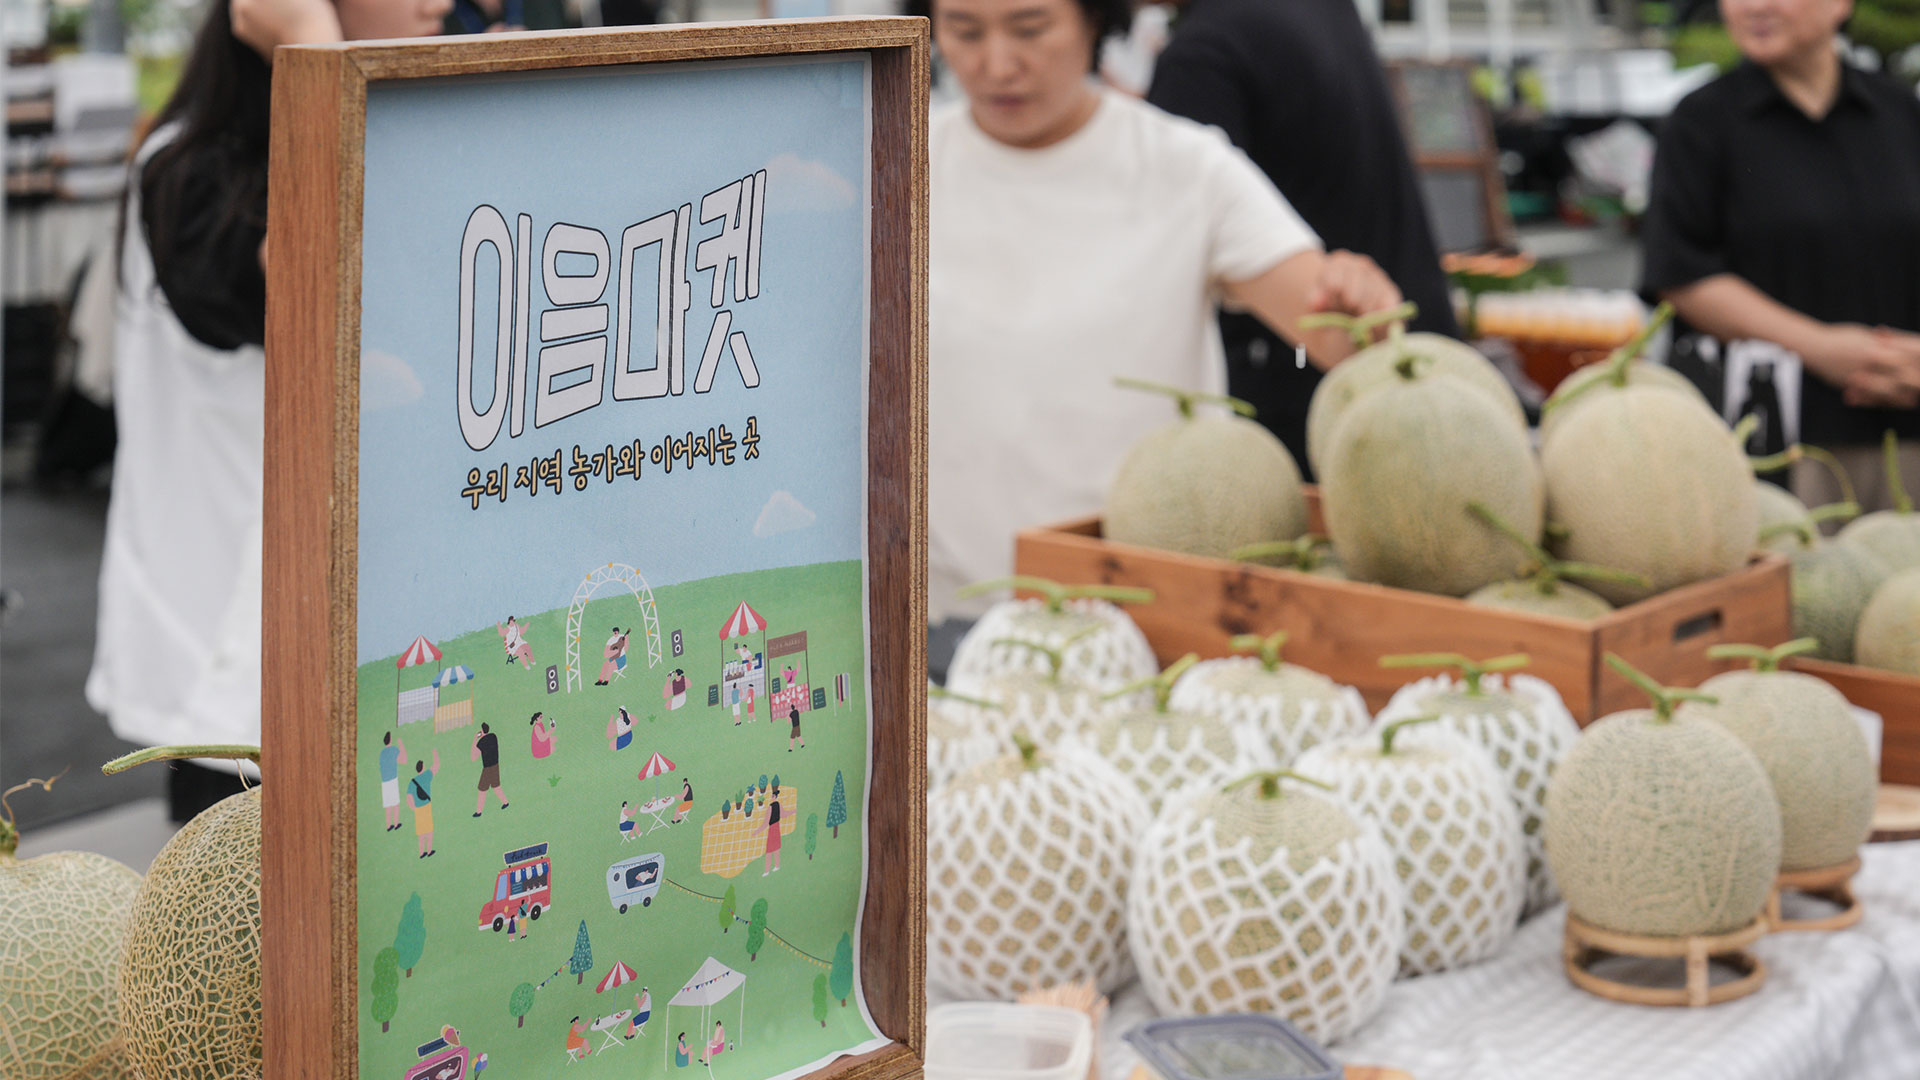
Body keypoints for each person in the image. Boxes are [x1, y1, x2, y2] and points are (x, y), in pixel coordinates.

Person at [916, 0, 1403, 622]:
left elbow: (1335, 341)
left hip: (1150, 611)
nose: (997, 64)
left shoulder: (1186, 167)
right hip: (944, 615)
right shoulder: (899, 158)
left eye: (1030, 29)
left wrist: (1359, 303)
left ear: (1096, 22)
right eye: (964, 32)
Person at [88, 0, 449, 826]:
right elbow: (323, 277)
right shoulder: (188, 174)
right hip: (236, 680)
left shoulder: (396, 131)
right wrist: (320, 54)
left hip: (352, 661)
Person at [1144, 0, 1461, 479]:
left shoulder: (1203, 55)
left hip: (1313, 399)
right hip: (1417, 362)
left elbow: (1163, 255)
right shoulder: (1322, 8)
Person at [1640, 0, 1920, 508]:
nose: (1755, 6)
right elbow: (1682, 274)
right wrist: (1823, 349)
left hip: (1908, 425)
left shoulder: (1901, 113)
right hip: (1779, 441)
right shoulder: (1701, 122)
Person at [407, 749, 442, 858]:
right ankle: (429, 850)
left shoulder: (412, 782)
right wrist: (435, 753)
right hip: (426, 806)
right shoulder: (426, 776)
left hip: (418, 809)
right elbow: (437, 765)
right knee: (429, 830)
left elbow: (409, 797)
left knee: (421, 832)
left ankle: (421, 852)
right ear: (422, 768)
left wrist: (413, 808)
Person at [472, 722, 508, 816]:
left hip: (487, 768)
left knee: (482, 790)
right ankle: (505, 802)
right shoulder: (493, 736)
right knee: (496, 786)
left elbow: (473, 757)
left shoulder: (481, 742)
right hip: (496, 765)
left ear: (482, 731)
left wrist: (475, 738)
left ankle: (479, 811)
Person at [378, 731, 409, 831]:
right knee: (395, 803)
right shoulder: (394, 750)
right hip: (392, 780)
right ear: (390, 739)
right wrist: (401, 744)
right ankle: (395, 824)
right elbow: (404, 760)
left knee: (388, 804)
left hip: (384, 781)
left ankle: (388, 825)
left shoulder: (382, 753)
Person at [763, 794, 784, 875]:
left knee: (769, 851)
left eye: (772, 796)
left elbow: (765, 823)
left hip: (772, 829)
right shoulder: (778, 805)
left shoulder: (770, 807)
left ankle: (767, 871)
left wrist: (756, 832)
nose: (771, 797)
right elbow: (783, 814)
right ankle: (777, 866)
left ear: (774, 797)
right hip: (777, 827)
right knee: (776, 849)